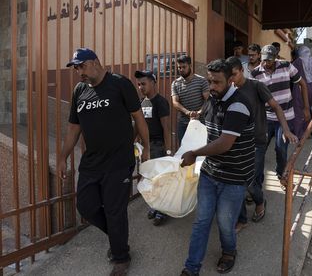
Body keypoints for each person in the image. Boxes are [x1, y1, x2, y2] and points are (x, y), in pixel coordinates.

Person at [57, 48, 150, 276]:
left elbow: (138, 117)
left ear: (96, 62)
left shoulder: (120, 84)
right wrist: (62, 157)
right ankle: (118, 238)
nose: (79, 72)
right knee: (86, 206)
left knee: (114, 210)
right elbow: (73, 128)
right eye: (76, 68)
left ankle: (121, 257)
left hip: (119, 160)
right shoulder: (79, 91)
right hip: (92, 162)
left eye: (82, 66)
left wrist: (147, 148)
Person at [180, 59, 255, 276]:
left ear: (231, 80)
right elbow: (205, 127)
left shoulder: (239, 105)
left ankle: (229, 252)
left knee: (224, 222)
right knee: (202, 221)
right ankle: (191, 267)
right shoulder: (212, 99)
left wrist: (194, 154)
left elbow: (224, 143)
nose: (211, 87)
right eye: (210, 81)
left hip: (233, 176)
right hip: (210, 172)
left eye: (217, 82)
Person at [226, 56, 298, 232]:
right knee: (236, 181)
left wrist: (286, 130)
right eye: (228, 76)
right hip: (235, 140)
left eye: (234, 75)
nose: (231, 79)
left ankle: (259, 201)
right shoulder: (229, 89)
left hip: (256, 140)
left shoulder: (256, 86)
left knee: (250, 180)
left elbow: (276, 107)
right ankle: (241, 219)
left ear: (242, 71)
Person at [252, 44, 311, 182]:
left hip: (286, 116)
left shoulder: (286, 66)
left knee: (281, 149)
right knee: (259, 151)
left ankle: (281, 173)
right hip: (266, 118)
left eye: (270, 60)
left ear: (276, 58)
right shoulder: (255, 73)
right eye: (264, 60)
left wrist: (306, 107)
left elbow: (302, 84)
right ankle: (256, 183)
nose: (266, 63)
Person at [135, 70, 170, 226]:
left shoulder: (161, 102)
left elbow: (166, 128)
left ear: (153, 82)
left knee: (159, 180)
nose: (141, 87)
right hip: (145, 147)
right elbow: (138, 125)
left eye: (144, 83)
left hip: (157, 147)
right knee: (150, 179)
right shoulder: (142, 102)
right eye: (139, 84)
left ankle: (162, 211)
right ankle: (155, 206)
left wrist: (168, 152)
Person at [171, 55, 209, 144]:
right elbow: (175, 102)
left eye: (184, 67)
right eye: (179, 67)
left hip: (201, 122)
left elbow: (208, 100)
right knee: (184, 150)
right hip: (184, 123)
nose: (181, 69)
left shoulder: (202, 81)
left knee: (202, 148)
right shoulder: (175, 83)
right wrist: (187, 112)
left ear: (190, 66)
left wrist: (199, 112)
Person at [290, 46, 312, 139]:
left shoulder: (298, 61)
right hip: (311, 88)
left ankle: (299, 134)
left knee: (298, 110)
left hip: (299, 88)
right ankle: (307, 131)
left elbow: (290, 73)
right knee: (307, 108)